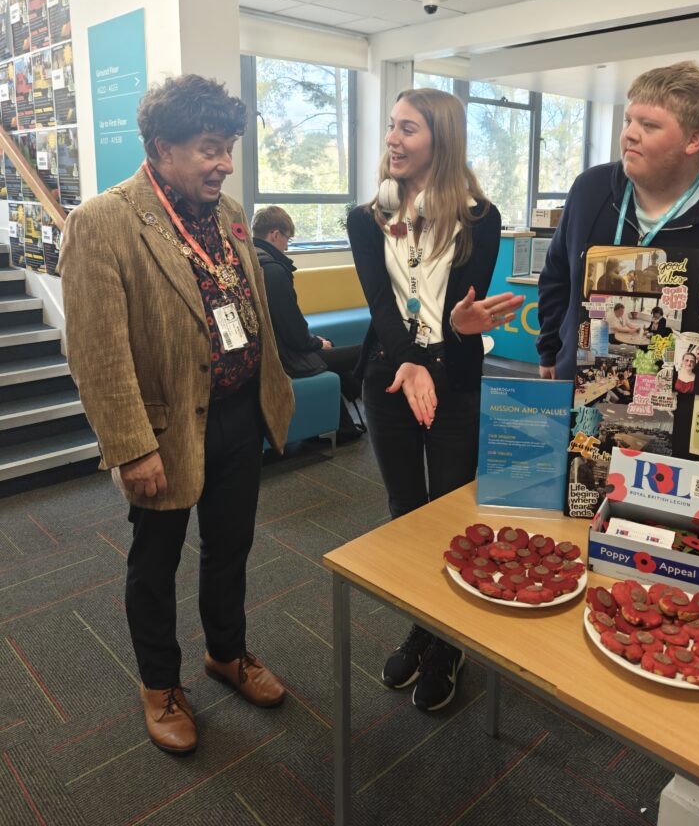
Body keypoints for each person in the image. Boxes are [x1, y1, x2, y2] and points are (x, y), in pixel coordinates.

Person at [58, 75, 295, 756]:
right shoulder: (104, 221)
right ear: (162, 148)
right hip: (163, 431)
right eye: (208, 148)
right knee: (153, 565)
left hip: (238, 413)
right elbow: (97, 353)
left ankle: (227, 652)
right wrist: (131, 447)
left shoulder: (229, 215)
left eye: (227, 149)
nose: (222, 163)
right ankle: (161, 684)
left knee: (231, 548)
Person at [347, 87, 522, 713]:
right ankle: (423, 622)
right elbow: (379, 304)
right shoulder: (366, 217)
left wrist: (459, 330)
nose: (393, 139)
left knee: (450, 515)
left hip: (456, 382)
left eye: (409, 129)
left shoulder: (481, 217)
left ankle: (450, 643)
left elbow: (461, 312)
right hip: (388, 381)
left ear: (439, 141)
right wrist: (409, 362)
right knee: (405, 511)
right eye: (391, 127)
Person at [538, 61, 699, 381]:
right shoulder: (590, 189)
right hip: (585, 383)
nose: (629, 133)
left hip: (683, 396)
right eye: (628, 120)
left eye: (649, 125)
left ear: (693, 140)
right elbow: (557, 277)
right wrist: (550, 349)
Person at [251, 205, 364, 442]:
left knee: (330, 348)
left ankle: (346, 428)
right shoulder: (273, 271)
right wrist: (316, 343)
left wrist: (315, 341)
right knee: (362, 351)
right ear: (274, 234)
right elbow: (295, 334)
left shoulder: (251, 261)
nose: (287, 245)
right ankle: (356, 413)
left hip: (267, 352)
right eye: (287, 239)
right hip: (286, 358)